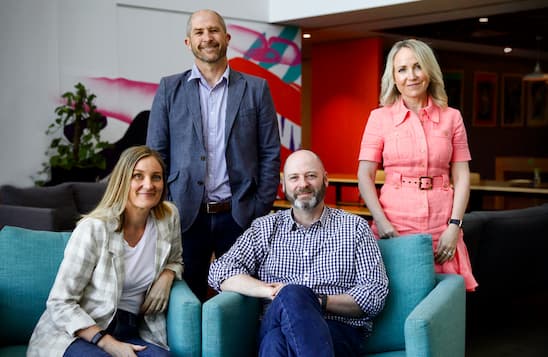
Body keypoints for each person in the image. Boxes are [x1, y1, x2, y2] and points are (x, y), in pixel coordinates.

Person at [147, 9, 281, 301]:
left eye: (213, 30)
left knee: (242, 299)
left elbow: (270, 151)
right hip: (184, 215)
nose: (207, 38)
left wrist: (259, 206)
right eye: (199, 32)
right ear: (188, 42)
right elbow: (155, 156)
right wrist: (168, 205)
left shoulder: (256, 89)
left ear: (227, 37)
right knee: (188, 296)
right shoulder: (169, 89)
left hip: (239, 213)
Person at [209, 149, 389, 357]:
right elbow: (219, 271)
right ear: (284, 186)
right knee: (291, 294)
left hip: (338, 331)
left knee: (275, 342)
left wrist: (318, 300)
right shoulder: (265, 228)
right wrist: (272, 291)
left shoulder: (354, 227)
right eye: (294, 178)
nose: (303, 184)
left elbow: (374, 294)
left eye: (311, 176)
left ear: (326, 180)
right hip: (276, 321)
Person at [27, 146, 183, 357]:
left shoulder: (168, 217)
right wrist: (106, 342)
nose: (149, 185)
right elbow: (60, 302)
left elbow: (176, 259)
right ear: (122, 180)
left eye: (156, 177)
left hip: (133, 328)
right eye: (138, 176)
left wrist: (167, 274)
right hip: (81, 330)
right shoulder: (94, 227)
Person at [357, 39, 478, 291]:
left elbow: (462, 176)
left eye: (417, 67)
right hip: (395, 224)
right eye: (402, 69)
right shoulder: (379, 118)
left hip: (442, 224)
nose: (410, 76)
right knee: (399, 296)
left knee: (443, 300)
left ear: (429, 71)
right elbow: (364, 175)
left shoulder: (452, 117)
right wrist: (381, 222)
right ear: (393, 76)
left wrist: (454, 226)